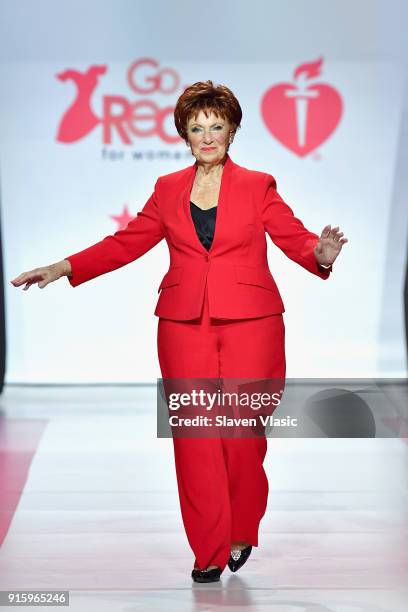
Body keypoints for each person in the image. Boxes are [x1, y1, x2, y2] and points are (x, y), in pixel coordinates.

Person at [11, 80, 348, 584]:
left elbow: (292, 234)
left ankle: (241, 529)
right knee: (194, 437)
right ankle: (208, 548)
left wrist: (318, 254)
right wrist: (63, 266)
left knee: (241, 435)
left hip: (251, 323)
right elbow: (126, 242)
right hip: (183, 324)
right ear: (184, 135)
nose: (207, 136)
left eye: (216, 126)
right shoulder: (167, 190)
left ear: (232, 130)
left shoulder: (259, 185)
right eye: (197, 128)